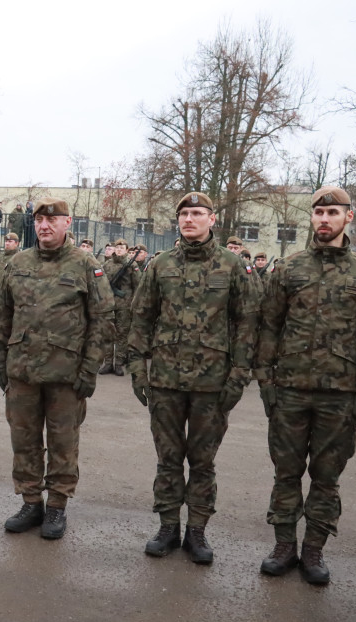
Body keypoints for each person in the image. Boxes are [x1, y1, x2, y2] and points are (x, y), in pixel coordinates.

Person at [255, 186, 356, 585]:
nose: (324, 219)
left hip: (340, 396)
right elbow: (269, 328)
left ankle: (313, 550)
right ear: (311, 218)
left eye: (332, 212)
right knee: (286, 473)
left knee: (327, 477)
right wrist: (267, 383)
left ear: (349, 217)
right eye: (318, 213)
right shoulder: (289, 269)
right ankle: (283, 546)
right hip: (290, 391)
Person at [128, 192, 260, 564]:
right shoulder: (160, 266)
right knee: (168, 459)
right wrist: (138, 369)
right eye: (184, 214)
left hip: (212, 383)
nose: (190, 219)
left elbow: (248, 323)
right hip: (166, 380)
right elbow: (141, 318)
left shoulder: (233, 266)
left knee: (203, 462)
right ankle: (168, 526)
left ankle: (197, 531)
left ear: (212, 219)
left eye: (197, 213)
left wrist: (240, 374)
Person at [0, 198, 115, 539]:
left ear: (67, 223)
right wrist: (0, 362)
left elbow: (102, 321)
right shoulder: (17, 264)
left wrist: (89, 369)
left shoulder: (86, 265)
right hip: (22, 373)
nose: (44, 226)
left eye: (51, 220)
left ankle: (57, 506)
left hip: (66, 375)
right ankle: (31, 502)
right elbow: (2, 316)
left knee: (63, 443)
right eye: (39, 220)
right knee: (24, 440)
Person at [101, 238, 140, 376]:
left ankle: (118, 363)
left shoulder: (131, 264)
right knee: (107, 334)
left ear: (127, 250)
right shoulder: (107, 265)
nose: (119, 250)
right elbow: (101, 284)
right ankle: (107, 363)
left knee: (122, 334)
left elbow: (138, 285)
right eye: (117, 248)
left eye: (122, 248)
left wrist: (134, 303)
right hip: (109, 304)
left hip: (125, 304)